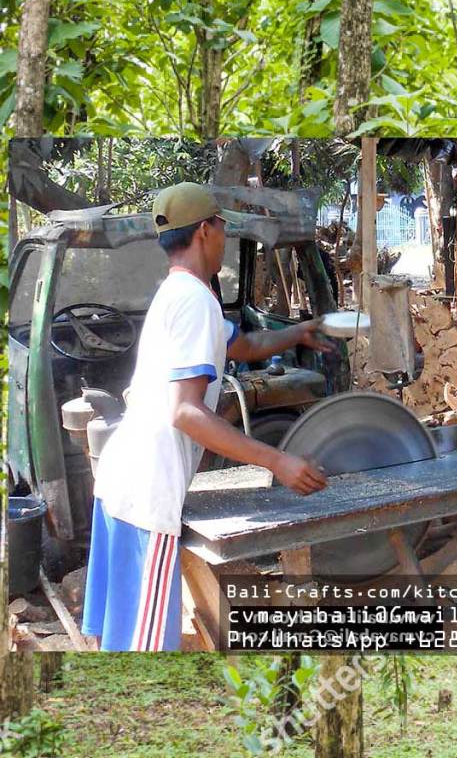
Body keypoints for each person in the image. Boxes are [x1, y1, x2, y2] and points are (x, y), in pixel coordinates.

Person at [82, 183, 331, 651]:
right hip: (148, 494)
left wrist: (299, 332)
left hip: (122, 480)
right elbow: (187, 413)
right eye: (221, 227)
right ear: (204, 231)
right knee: (147, 648)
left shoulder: (178, 292)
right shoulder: (195, 301)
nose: (223, 238)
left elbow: (247, 345)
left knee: (122, 636)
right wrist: (278, 462)